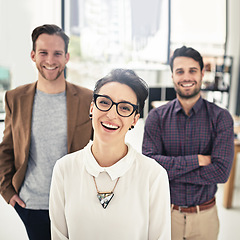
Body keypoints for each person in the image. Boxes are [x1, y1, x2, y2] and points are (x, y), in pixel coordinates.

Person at [49, 69, 171, 240]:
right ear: (92, 108)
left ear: (134, 120)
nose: (111, 114)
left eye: (124, 108)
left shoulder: (154, 175)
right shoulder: (64, 169)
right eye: (105, 102)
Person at [0, 24, 93, 240]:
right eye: (43, 52)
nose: (50, 60)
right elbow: (6, 148)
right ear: (33, 55)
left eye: (57, 53)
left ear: (67, 57)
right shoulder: (15, 97)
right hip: (31, 205)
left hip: (76, 203)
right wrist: (8, 191)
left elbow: (102, 149)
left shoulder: (88, 98)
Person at [142, 46, 234, 240]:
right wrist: (198, 160)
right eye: (180, 71)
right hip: (166, 215)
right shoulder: (156, 117)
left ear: (202, 73)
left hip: (205, 218)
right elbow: (149, 166)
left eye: (192, 70)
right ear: (172, 76)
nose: (186, 77)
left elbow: (221, 172)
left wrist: (169, 170)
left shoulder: (221, 118)